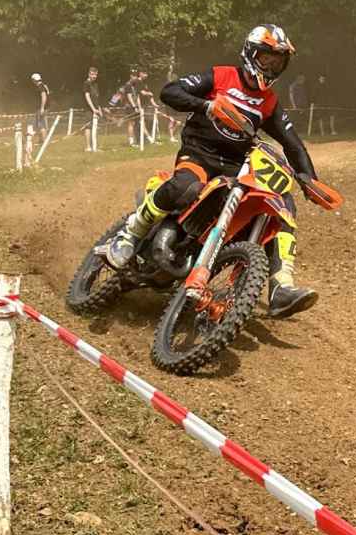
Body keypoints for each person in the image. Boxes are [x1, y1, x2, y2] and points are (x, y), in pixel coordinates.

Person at [101, 25, 321, 319]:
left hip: (234, 169)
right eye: (267, 59)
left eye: (278, 62)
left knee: (281, 205)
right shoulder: (220, 76)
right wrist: (206, 106)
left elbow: (293, 144)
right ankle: (130, 234)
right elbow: (170, 91)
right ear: (252, 54)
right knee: (185, 186)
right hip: (199, 155)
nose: (272, 66)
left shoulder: (269, 103)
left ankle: (281, 287)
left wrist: (310, 179)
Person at [29, 72, 50, 153]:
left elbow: (44, 97)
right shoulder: (43, 85)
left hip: (42, 108)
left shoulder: (40, 87)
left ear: (34, 80)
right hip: (43, 108)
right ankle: (41, 141)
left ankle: (44, 143)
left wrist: (42, 108)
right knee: (40, 124)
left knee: (42, 126)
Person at [83, 67, 103, 132]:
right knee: (88, 127)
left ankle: (94, 142)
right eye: (92, 74)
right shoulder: (86, 83)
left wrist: (99, 109)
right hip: (89, 109)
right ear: (89, 74)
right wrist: (93, 109)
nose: (94, 76)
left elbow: (97, 98)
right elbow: (87, 97)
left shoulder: (95, 84)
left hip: (96, 109)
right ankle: (88, 143)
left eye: (95, 74)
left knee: (95, 128)